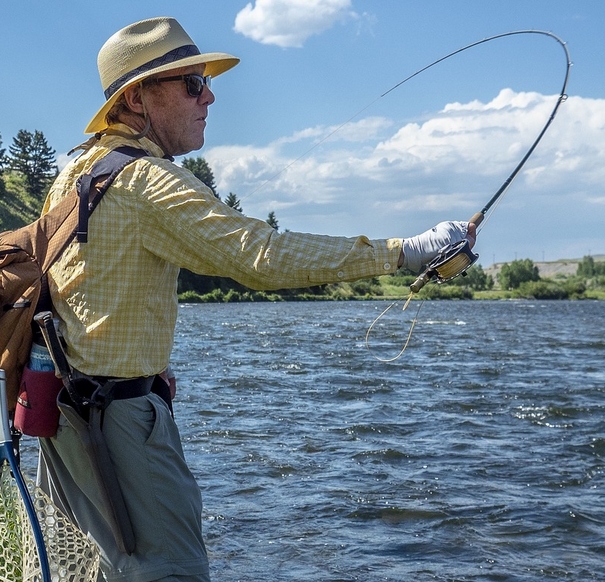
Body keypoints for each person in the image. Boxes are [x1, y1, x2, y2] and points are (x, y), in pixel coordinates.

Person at [35, 17, 475, 582]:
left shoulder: (75, 172)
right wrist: (407, 251)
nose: (209, 96)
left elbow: (80, 287)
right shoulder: (147, 181)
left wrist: (143, 364)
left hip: (65, 416)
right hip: (117, 423)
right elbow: (261, 257)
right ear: (138, 98)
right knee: (174, 572)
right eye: (192, 83)